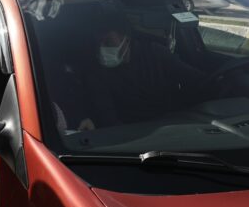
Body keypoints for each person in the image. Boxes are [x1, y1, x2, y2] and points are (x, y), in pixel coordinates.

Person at [77, 15, 206, 129]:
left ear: (126, 40)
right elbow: (108, 118)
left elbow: (195, 79)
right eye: (98, 43)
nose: (102, 48)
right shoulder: (97, 72)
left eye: (108, 42)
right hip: (132, 135)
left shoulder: (156, 54)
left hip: (171, 126)